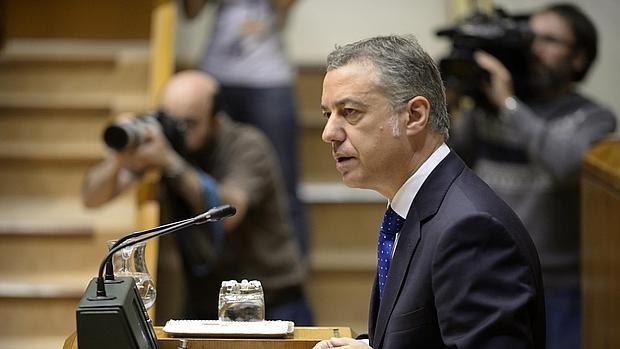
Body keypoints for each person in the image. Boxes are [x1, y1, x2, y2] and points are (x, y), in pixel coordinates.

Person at [312, 35, 545, 349]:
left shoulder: (471, 229)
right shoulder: (418, 207)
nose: (329, 133)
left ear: (414, 116)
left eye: (350, 112)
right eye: (329, 115)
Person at [81, 70, 313, 325]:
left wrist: (170, 162)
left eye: (190, 124)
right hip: (205, 304)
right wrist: (120, 157)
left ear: (216, 120)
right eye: (172, 120)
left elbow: (227, 214)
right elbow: (93, 198)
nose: (180, 132)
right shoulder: (166, 146)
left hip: (268, 302)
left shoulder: (247, 145)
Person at [449, 4, 617, 349]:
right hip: (483, 278)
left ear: (579, 58)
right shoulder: (486, 111)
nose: (534, 49)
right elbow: (448, 164)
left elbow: (565, 165)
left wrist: (509, 104)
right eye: (530, 38)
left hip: (555, 291)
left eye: (549, 40)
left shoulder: (591, 117)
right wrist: (447, 101)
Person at [182, 0, 309, 257]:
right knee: (211, 173)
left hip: (268, 78)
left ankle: (291, 275)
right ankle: (211, 264)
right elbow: (190, 12)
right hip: (216, 75)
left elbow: (284, 8)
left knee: (283, 180)